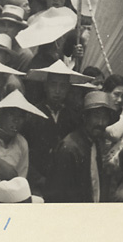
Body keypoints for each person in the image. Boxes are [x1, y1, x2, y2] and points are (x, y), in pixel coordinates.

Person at [22, 60, 91, 194]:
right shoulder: (32, 115)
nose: (57, 91)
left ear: (68, 89)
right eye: (53, 85)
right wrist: (38, 179)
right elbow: (24, 153)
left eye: (63, 86)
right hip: (38, 185)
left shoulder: (74, 118)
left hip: (67, 184)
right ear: (45, 86)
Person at [46, 91, 116, 202]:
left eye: (105, 118)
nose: (101, 122)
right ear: (85, 117)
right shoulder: (69, 148)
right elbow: (58, 194)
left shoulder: (95, 142)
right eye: (96, 116)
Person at [0, 89, 48, 178]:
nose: (16, 120)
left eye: (21, 117)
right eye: (11, 114)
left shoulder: (22, 143)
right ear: (1, 115)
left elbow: (21, 178)